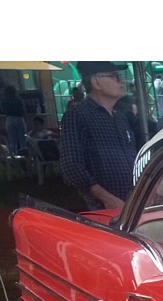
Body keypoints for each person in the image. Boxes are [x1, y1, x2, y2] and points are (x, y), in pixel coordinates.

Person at [59, 62, 138, 211]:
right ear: (96, 82)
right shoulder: (77, 115)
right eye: (114, 76)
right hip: (99, 208)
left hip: (129, 203)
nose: (121, 81)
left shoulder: (121, 118)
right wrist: (106, 198)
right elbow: (71, 166)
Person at [1, 84, 27, 155]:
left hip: (9, 119)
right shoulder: (18, 99)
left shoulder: (4, 101)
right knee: (23, 140)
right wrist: (25, 119)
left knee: (12, 141)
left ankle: (13, 157)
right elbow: (23, 110)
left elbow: (3, 111)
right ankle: (24, 157)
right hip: (19, 118)